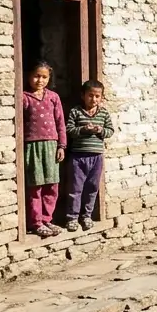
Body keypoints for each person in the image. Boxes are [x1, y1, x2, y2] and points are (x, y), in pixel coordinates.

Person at [62, 80, 114, 232]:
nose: (94, 99)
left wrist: (100, 131)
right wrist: (83, 129)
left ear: (102, 97)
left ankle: (86, 215)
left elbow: (110, 131)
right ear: (83, 96)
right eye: (90, 95)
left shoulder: (103, 113)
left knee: (92, 187)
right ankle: (72, 217)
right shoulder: (76, 111)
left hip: (96, 157)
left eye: (97, 96)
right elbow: (69, 129)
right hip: (78, 157)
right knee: (75, 188)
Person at [22, 61, 65, 239]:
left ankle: (47, 219)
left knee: (52, 185)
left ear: (49, 78)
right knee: (36, 185)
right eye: (36, 76)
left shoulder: (53, 97)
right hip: (33, 146)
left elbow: (60, 122)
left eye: (44, 77)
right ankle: (36, 222)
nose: (40, 80)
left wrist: (62, 145)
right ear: (28, 76)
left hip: (51, 146)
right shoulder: (24, 97)